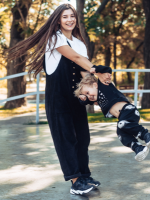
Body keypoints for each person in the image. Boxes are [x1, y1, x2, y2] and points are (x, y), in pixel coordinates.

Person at [5, 4, 112, 195]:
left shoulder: (79, 42)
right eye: (65, 17)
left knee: (83, 138)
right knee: (66, 140)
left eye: (72, 16)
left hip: (76, 99)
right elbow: (76, 58)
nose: (70, 20)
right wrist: (99, 70)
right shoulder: (54, 39)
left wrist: (95, 85)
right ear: (58, 20)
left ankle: (85, 175)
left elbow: (83, 71)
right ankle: (75, 181)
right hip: (58, 100)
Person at [74, 71, 150, 162]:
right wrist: (83, 99)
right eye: (86, 95)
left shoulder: (104, 87)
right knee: (120, 133)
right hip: (123, 117)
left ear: (95, 85)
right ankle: (138, 148)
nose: (88, 96)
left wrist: (97, 70)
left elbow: (105, 71)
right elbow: (86, 102)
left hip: (129, 110)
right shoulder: (97, 99)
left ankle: (146, 135)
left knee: (122, 124)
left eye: (87, 92)